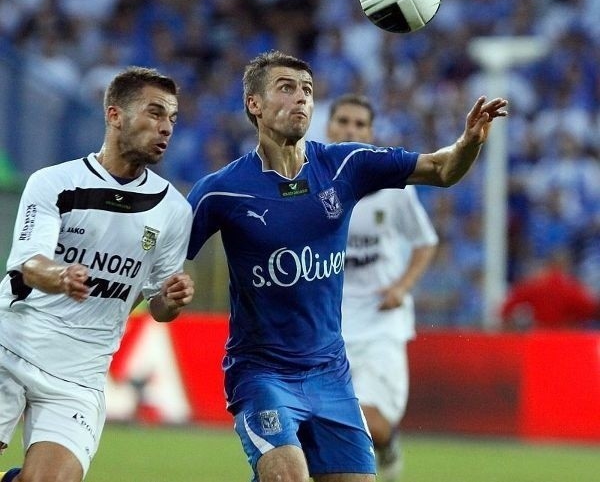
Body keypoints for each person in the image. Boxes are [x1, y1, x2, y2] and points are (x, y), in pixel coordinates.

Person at [186, 49, 507, 482]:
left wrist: (468, 142)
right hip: (262, 374)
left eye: (307, 90)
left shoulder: (346, 165)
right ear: (254, 104)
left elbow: (441, 168)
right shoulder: (220, 192)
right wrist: (165, 299)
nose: (300, 97)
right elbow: (165, 264)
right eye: (286, 87)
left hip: (330, 375)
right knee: (289, 477)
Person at [0, 66, 194, 482]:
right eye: (155, 113)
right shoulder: (54, 182)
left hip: (81, 374)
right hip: (12, 348)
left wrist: (171, 299)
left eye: (172, 119)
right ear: (114, 115)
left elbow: (157, 306)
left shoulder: (173, 211)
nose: (166, 128)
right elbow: (28, 263)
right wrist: (60, 276)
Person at [326, 93, 439, 481]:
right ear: (328, 126)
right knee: (323, 427)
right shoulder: (311, 182)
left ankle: (388, 447)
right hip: (328, 325)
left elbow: (426, 241)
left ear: (371, 132)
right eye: (343, 121)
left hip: (380, 324)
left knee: (371, 423)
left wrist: (402, 287)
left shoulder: (393, 188)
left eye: (360, 124)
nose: (350, 129)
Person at [500, 249, 600, 330]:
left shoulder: (535, 284)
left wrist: (510, 327)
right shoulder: (571, 287)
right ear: (566, 265)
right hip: (565, 338)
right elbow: (591, 310)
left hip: (540, 335)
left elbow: (508, 307)